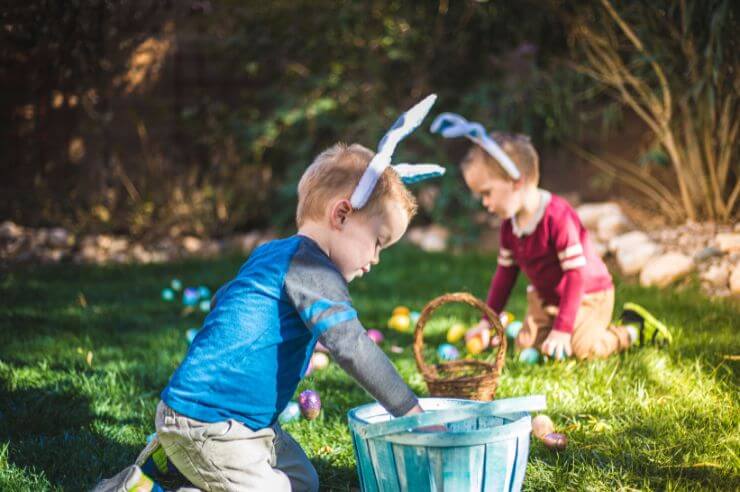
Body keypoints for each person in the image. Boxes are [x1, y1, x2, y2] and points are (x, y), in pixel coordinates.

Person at [94, 95, 446, 492]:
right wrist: (410, 412)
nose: (376, 258)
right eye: (378, 242)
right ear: (342, 214)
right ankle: (143, 487)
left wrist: (286, 340)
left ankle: (172, 465)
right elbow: (352, 345)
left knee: (303, 482)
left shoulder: (275, 253)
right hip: (211, 421)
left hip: (246, 423)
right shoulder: (314, 268)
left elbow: (226, 299)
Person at [431, 113, 672, 361]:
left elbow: (576, 275)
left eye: (487, 193)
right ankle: (551, 329)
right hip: (545, 299)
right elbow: (505, 276)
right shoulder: (509, 226)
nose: (485, 203)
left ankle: (633, 329)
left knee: (585, 349)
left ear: (516, 182)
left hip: (588, 295)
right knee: (526, 349)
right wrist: (487, 321)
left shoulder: (557, 216)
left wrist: (562, 330)